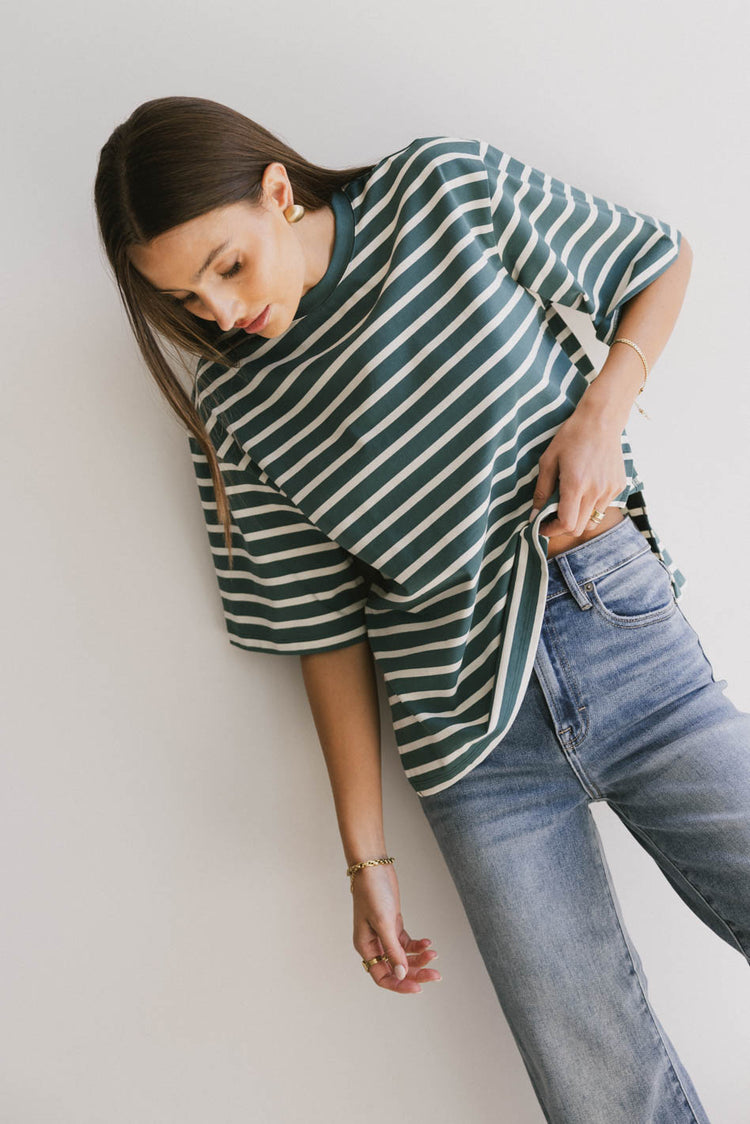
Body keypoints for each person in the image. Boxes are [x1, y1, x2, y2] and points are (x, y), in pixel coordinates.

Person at [94, 95, 750, 1123]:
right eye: (184, 297)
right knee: (599, 1085)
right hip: (471, 750)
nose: (219, 314)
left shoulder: (443, 189)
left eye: (227, 266)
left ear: (279, 191)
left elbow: (656, 260)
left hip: (614, 632)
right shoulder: (233, 409)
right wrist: (368, 861)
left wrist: (597, 416)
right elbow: (324, 636)